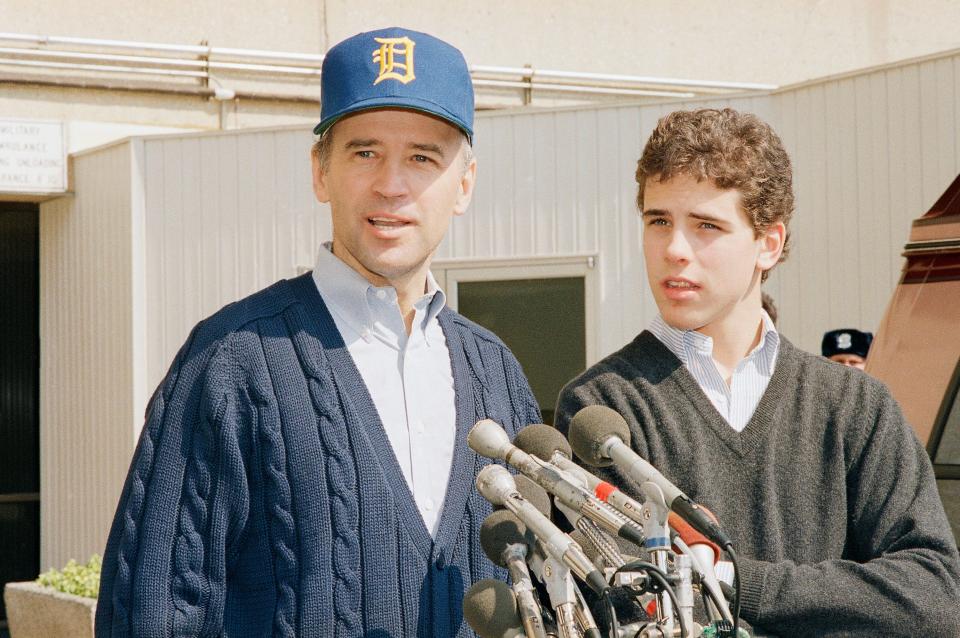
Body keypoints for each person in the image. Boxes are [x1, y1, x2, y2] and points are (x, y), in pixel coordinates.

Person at [96, 27, 541, 637]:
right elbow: (153, 612)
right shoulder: (231, 364)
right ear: (320, 171)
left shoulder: (498, 373)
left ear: (463, 184)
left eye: (422, 157)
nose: (392, 184)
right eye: (364, 153)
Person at [555, 108, 960, 636]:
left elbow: (934, 597)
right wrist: (843, 602)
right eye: (659, 221)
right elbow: (630, 610)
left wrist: (741, 581)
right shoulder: (600, 413)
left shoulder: (857, 407)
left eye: (706, 226)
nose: (674, 250)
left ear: (768, 243)